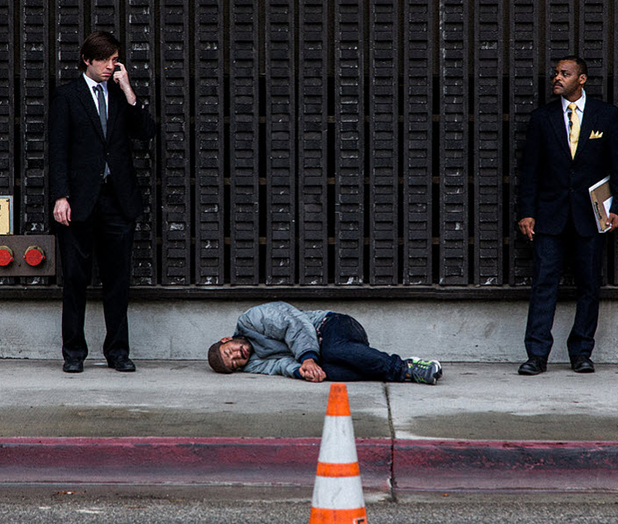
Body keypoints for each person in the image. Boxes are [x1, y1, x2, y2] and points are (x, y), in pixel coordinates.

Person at [50, 31, 157, 373]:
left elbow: (146, 132)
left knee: (118, 281)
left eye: (115, 60)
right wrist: (60, 196)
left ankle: (118, 353)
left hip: (117, 200)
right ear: (87, 60)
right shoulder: (67, 96)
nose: (113, 66)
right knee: (75, 281)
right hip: (79, 201)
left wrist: (128, 90)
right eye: (107, 60)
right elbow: (57, 150)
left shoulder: (119, 94)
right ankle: (73, 354)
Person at [516, 55, 618, 376]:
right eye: (555, 73)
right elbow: (530, 171)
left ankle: (581, 352)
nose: (557, 78)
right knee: (543, 285)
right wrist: (526, 212)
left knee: (588, 286)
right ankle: (537, 354)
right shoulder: (542, 118)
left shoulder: (605, 116)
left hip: (592, 216)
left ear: (581, 79)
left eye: (564, 74)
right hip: (549, 216)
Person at [206, 302, 443, 384]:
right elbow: (279, 366)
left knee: (332, 350)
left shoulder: (251, 319)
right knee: (329, 373)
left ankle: (406, 368)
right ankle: (395, 369)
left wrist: (308, 357)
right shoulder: (252, 364)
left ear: (226, 339)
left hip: (333, 325)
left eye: (231, 352)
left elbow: (293, 322)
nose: (239, 356)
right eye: (235, 363)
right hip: (336, 353)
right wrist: (303, 371)